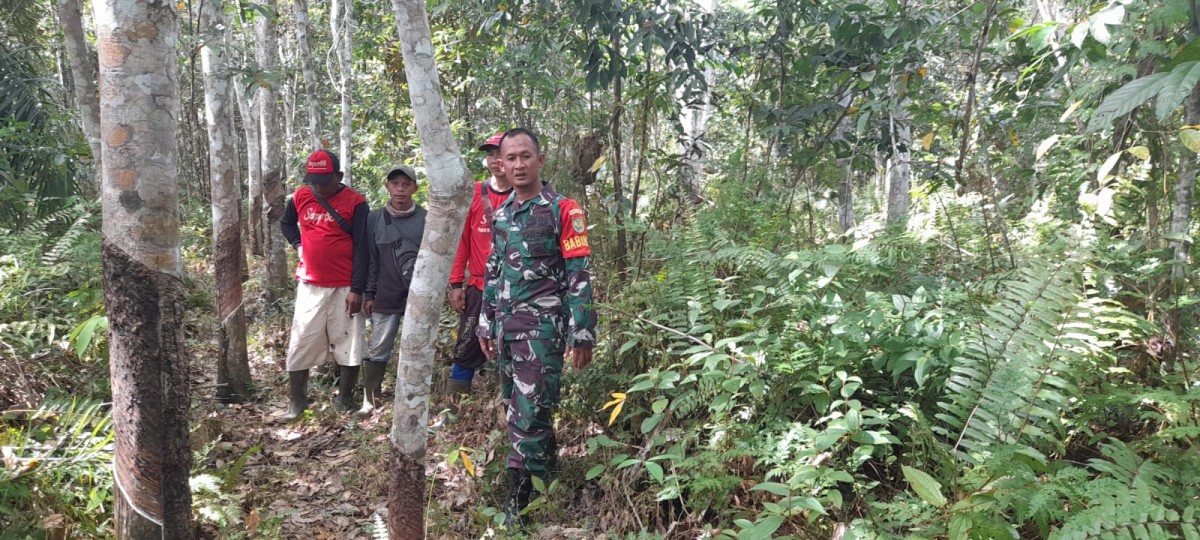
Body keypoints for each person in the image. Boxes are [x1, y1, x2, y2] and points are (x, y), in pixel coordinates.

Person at [477, 128, 595, 526]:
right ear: (501, 164)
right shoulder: (503, 212)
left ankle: (519, 498)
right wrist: (484, 321)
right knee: (519, 405)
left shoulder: (564, 209)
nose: (518, 165)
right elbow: (494, 271)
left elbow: (579, 272)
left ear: (540, 160)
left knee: (528, 411)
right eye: (510, 159)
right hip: (505, 330)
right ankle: (547, 480)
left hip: (542, 330)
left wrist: (583, 332)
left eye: (525, 156)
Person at [279, 149, 370, 422]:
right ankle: (297, 402)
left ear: (339, 176)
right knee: (301, 342)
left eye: (325, 181)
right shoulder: (300, 196)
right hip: (310, 285)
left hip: (345, 286)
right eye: (314, 180)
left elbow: (363, 247)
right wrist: (298, 244)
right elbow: (286, 224)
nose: (318, 186)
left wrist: (357, 288)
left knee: (349, 343)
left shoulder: (356, 203)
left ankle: (344, 399)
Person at [447, 132, 514, 396]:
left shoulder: (528, 194)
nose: (496, 160)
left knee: (513, 344)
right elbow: (462, 240)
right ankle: (456, 402)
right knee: (467, 342)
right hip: (478, 286)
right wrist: (456, 283)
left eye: (501, 154)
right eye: (491, 154)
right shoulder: (475, 193)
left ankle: (507, 402)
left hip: (517, 288)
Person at [358, 166, 426, 418]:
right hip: (385, 296)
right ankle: (370, 399)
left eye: (406, 184)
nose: (400, 189)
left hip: (417, 298)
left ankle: (412, 399)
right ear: (387, 186)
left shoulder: (426, 218)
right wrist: (369, 293)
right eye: (395, 183)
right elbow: (370, 259)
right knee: (378, 348)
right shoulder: (374, 218)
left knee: (417, 347)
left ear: (415, 188)